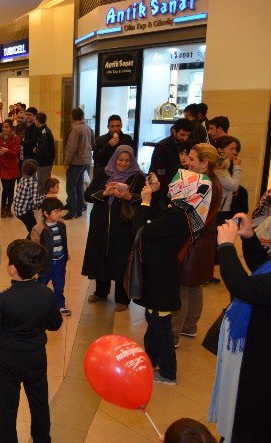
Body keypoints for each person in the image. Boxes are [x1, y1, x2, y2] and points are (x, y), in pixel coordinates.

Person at [134, 170, 212, 385]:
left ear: (186, 189)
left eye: (177, 182)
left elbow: (141, 231)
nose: (171, 185)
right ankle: (150, 361)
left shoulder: (177, 215)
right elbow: (157, 224)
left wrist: (145, 202)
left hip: (161, 278)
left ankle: (168, 373)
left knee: (161, 326)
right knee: (153, 320)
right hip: (162, 274)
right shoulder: (184, 211)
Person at [0, 239, 63, 443]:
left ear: (12, 269)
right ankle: (42, 439)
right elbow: (55, 324)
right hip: (36, 356)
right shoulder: (47, 295)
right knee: (39, 402)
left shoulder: (2, 299)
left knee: (7, 406)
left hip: (7, 358)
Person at [209, 213, 271, 442]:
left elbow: (244, 287)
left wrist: (226, 246)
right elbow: (263, 269)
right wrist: (249, 237)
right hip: (256, 349)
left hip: (262, 364)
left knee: (253, 418)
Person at [82, 145, 145, 311]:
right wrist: (105, 193)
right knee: (102, 253)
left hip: (124, 224)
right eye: (120, 159)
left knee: (121, 258)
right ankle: (101, 291)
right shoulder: (103, 172)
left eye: (127, 160)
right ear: (114, 158)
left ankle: (122, 299)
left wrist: (128, 196)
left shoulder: (138, 177)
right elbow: (87, 195)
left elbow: (144, 200)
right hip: (101, 222)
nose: (123, 163)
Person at [173, 144, 222, 347]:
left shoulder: (205, 185)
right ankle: (190, 326)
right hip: (204, 242)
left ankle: (173, 333)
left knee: (183, 286)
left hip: (194, 241)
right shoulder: (213, 181)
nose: (187, 162)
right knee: (194, 285)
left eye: (192, 159)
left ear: (204, 164)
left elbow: (190, 217)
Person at [32, 197, 71, 316]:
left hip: (60, 261)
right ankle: (36, 304)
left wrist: (66, 252)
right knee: (41, 284)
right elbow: (34, 247)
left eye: (60, 211)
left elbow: (63, 240)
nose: (60, 213)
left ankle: (60, 305)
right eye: (56, 211)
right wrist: (37, 263)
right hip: (45, 264)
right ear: (46, 213)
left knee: (59, 284)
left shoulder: (62, 224)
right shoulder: (38, 228)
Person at [148, 118, 194, 212]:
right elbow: (161, 174)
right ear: (174, 131)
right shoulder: (162, 147)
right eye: (182, 135)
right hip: (163, 191)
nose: (185, 138)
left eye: (188, 135)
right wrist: (172, 190)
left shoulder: (187, 145)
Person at [63, 107, 95, 220]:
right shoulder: (88, 128)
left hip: (76, 162)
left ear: (72, 117)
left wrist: (66, 162)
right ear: (82, 116)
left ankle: (72, 211)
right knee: (79, 186)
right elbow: (93, 144)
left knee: (70, 187)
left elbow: (72, 148)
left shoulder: (76, 129)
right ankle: (80, 208)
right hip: (85, 161)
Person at [0, 119, 21, 218]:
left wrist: (7, 150)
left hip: (13, 167)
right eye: (3, 127)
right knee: (5, 189)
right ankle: (2, 208)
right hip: (3, 166)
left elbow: (15, 153)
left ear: (11, 128)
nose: (4, 129)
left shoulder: (16, 138)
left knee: (11, 189)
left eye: (6, 127)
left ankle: (8, 208)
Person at [13, 160, 43, 239]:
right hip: (24, 211)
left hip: (18, 208)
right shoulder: (33, 183)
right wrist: (45, 197)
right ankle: (26, 247)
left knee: (32, 229)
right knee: (34, 230)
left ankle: (27, 245)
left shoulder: (22, 179)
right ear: (35, 171)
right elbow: (36, 201)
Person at [34, 112, 56, 194]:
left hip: (45, 162)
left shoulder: (45, 131)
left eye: (35, 120)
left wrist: (37, 151)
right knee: (40, 184)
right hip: (41, 162)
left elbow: (44, 147)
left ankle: (47, 203)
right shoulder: (42, 130)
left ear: (37, 121)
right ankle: (41, 202)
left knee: (46, 184)